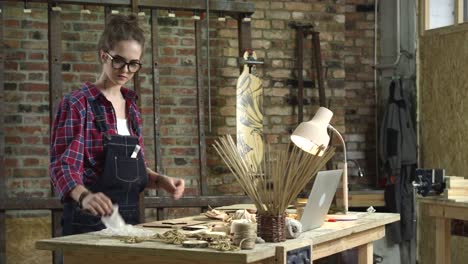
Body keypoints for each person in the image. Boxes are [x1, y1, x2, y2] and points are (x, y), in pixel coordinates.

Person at [49, 14, 185, 235]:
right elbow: (63, 166)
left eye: (133, 64)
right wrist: (85, 196)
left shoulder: (131, 106)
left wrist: (160, 180)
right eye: (119, 61)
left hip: (128, 221)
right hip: (87, 223)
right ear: (104, 55)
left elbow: (131, 165)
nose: (125, 70)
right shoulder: (78, 104)